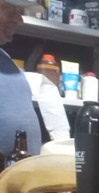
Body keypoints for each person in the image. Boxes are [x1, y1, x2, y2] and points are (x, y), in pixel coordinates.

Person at [0, 0, 42, 157]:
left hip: (22, 169)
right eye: (11, 9)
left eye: (20, 11)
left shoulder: (6, 60)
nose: (19, 19)